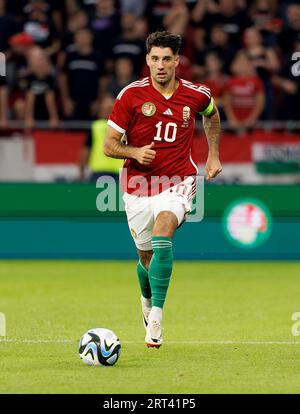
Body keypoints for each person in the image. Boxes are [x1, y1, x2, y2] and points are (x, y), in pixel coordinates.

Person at [104, 31, 222, 348]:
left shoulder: (195, 94)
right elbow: (108, 146)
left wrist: (213, 155)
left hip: (178, 180)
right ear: (147, 60)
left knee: (163, 231)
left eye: (166, 59)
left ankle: (156, 317)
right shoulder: (130, 96)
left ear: (176, 61)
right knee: (145, 257)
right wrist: (134, 152)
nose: (160, 65)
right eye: (154, 58)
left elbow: (212, 115)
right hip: (138, 185)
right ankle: (146, 299)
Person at [78, 94, 123, 181]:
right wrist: (81, 171)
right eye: (106, 108)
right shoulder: (96, 126)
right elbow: (86, 149)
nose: (108, 111)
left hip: (119, 172)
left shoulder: (96, 126)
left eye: (110, 108)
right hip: (100, 172)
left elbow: (86, 149)